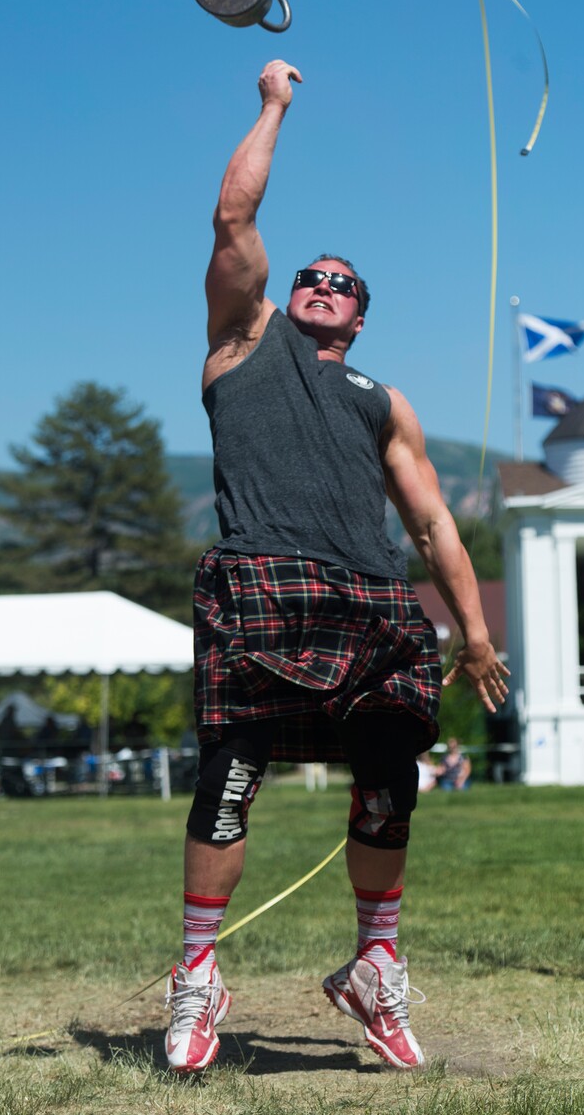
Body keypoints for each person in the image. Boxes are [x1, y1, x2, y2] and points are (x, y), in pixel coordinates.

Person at [165, 60, 509, 1074]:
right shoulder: (239, 342)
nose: (320, 286)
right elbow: (234, 220)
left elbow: (436, 521)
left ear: (360, 316)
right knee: (229, 781)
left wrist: (476, 633)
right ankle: (197, 977)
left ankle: (372, 965)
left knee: (389, 785)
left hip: (373, 603)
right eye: (309, 276)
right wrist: (273, 106)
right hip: (262, 583)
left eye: (341, 285)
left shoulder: (381, 397)